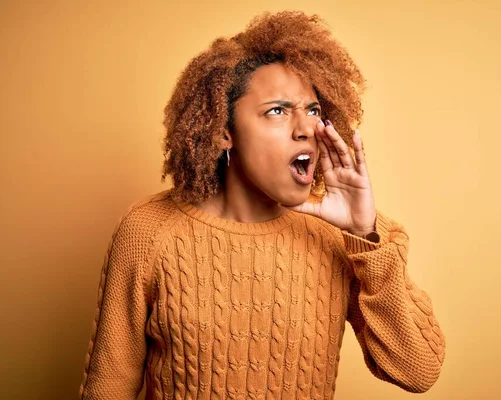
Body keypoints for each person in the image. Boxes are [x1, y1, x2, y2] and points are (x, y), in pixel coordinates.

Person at [79, 10, 446, 400]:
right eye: (277, 110)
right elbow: (108, 388)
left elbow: (419, 370)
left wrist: (363, 233)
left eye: (313, 110)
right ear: (223, 132)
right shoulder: (148, 231)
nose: (306, 128)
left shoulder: (350, 236)